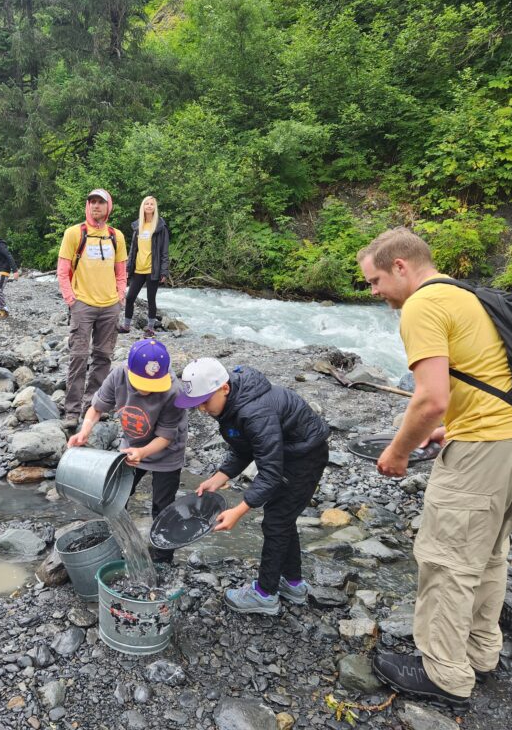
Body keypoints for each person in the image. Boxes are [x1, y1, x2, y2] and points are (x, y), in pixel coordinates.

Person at [357, 227, 512, 712]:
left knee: (447, 560)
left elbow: (430, 399)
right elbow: (486, 382)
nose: (374, 291)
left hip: (488, 453)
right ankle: (478, 652)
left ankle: (443, 673)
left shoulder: (423, 305)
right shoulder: (470, 295)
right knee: (488, 553)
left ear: (401, 266)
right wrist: (453, 429)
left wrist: (399, 451)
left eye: (375, 280)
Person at [175, 357, 329, 615]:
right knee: (282, 518)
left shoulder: (255, 411)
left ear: (224, 387)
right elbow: (245, 446)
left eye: (204, 401)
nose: (201, 409)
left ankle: (265, 594)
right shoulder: (232, 403)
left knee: (276, 520)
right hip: (287, 452)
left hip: (304, 457)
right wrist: (219, 477)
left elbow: (269, 473)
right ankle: (293, 583)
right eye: (196, 403)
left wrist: (239, 510)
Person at [67, 338, 188, 563]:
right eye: (142, 384)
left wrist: (143, 453)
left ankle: (163, 558)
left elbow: (165, 437)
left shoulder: (174, 391)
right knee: (115, 496)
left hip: (167, 452)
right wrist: (84, 431)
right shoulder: (119, 376)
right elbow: (96, 408)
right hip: (132, 444)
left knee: (163, 505)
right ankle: (123, 544)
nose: (146, 391)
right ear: (129, 370)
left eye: (153, 386)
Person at [56, 188, 127, 428]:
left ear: (108, 207)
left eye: (101, 202)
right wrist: (71, 301)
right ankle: (72, 411)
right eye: (92, 202)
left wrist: (120, 298)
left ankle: (93, 407)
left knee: (103, 357)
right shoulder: (74, 233)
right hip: (82, 305)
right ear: (88, 206)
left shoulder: (116, 236)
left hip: (110, 306)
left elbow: (121, 270)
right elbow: (63, 270)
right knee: (78, 357)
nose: (96, 206)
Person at [120, 195, 169, 337]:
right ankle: (126, 326)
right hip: (138, 269)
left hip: (153, 269)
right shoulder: (138, 226)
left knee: (151, 299)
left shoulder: (160, 226)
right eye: (146, 203)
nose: (149, 206)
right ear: (143, 206)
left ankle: (150, 328)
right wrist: (128, 268)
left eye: (151, 204)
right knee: (130, 298)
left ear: (155, 208)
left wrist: (164, 271)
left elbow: (164, 250)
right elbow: (132, 250)